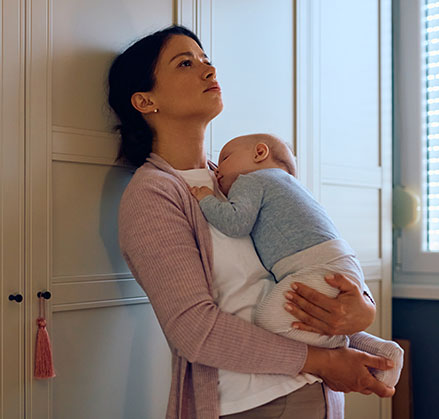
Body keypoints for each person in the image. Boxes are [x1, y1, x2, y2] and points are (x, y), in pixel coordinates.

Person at [109, 25, 394, 419]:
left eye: (207, 61)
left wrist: (357, 309)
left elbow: (301, 274)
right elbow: (195, 330)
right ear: (145, 100)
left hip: (317, 395)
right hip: (253, 403)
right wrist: (324, 362)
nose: (209, 71)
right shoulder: (153, 195)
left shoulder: (241, 182)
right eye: (186, 63)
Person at [189, 133, 403, 387]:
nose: (218, 169)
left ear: (259, 153)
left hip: (316, 266)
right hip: (339, 262)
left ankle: (341, 348)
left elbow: (235, 223)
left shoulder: (251, 180)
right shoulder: (291, 187)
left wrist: (206, 199)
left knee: (268, 319)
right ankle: (384, 353)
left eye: (224, 158)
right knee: (325, 314)